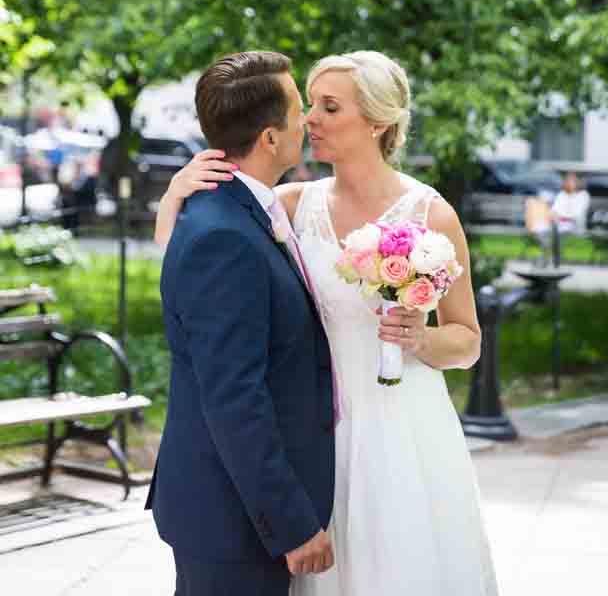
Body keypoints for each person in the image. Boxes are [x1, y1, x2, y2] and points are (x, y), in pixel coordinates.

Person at [156, 50, 498, 596]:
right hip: (314, 435)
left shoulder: (432, 215)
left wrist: (421, 337)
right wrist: (175, 194)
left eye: (329, 107)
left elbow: (469, 341)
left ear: (379, 122)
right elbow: (205, 281)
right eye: (309, 104)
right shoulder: (290, 205)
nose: (311, 118)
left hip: (401, 429)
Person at [146, 51, 336, 596]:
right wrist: (292, 523)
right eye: (300, 107)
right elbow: (234, 397)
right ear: (271, 138)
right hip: (232, 521)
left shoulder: (233, 212)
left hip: (235, 514)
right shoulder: (224, 234)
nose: (307, 120)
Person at [527, 171, 590, 256]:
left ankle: (549, 253)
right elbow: (555, 209)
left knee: (556, 232)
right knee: (538, 227)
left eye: (571, 181)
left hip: (573, 224)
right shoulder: (562, 195)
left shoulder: (583, 195)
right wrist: (553, 215)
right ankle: (548, 250)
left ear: (577, 183)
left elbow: (577, 214)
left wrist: (560, 216)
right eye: (567, 181)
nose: (569, 183)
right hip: (557, 223)